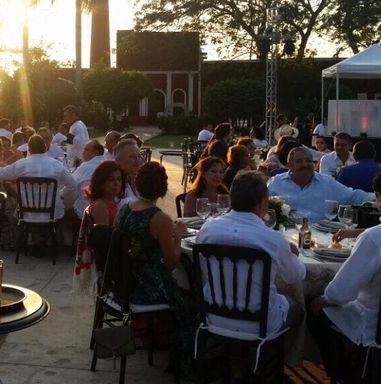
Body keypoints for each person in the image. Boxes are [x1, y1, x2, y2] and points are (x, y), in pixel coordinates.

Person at [307, 167, 381, 381]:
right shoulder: (375, 236)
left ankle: (344, 375)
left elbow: (342, 290)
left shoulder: (375, 238)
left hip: (378, 325)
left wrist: (323, 300)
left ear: (378, 197)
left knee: (315, 311)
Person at [196, 171, 305, 335]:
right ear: (262, 203)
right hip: (260, 324)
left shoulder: (208, 228)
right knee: (298, 308)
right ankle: (289, 360)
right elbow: (294, 276)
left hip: (213, 315)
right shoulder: (272, 238)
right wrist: (293, 255)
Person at [115, 161, 195, 377]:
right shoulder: (160, 218)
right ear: (163, 187)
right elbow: (171, 264)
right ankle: (184, 361)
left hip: (124, 282)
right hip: (148, 287)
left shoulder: (124, 209)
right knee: (192, 303)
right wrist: (177, 235)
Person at [0, 135, 77, 222]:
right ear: (45, 147)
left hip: (26, 215)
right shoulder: (56, 164)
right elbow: (72, 185)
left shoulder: (22, 164)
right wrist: (59, 194)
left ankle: (18, 240)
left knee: (14, 217)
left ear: (29, 149)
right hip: (52, 214)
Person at [267, 147, 373, 222]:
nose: (305, 164)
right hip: (284, 236)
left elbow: (352, 196)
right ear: (289, 165)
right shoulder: (276, 183)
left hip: (319, 238)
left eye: (309, 161)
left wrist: (378, 198)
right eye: (299, 161)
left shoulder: (327, 183)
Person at [72, 160, 125, 293]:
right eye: (111, 180)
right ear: (100, 182)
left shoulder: (111, 203)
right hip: (111, 267)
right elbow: (105, 245)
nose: (116, 183)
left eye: (119, 179)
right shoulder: (101, 206)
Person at [71, 140, 106, 218]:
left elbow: (71, 184)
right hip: (105, 210)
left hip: (86, 211)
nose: (83, 153)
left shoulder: (86, 166)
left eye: (87, 150)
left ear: (96, 153)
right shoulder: (108, 164)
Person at [114, 138, 143, 206]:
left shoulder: (140, 182)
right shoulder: (115, 186)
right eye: (132, 157)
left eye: (139, 156)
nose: (138, 161)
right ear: (118, 160)